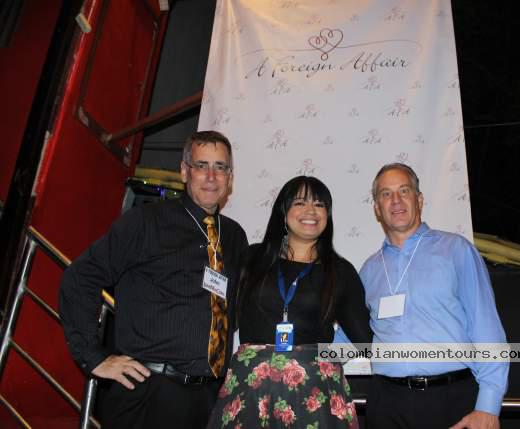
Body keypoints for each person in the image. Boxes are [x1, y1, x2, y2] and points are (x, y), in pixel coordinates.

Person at [59, 130, 248, 429]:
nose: (211, 176)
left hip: (206, 399)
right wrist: (93, 357)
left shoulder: (235, 236)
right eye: (201, 165)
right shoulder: (147, 222)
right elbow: (81, 278)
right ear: (184, 171)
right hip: (148, 391)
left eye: (220, 167)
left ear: (230, 177)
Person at [207, 176, 372, 429]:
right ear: (283, 212)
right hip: (251, 387)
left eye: (319, 204)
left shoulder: (340, 271)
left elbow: (364, 339)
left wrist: (321, 358)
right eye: (300, 203)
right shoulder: (252, 258)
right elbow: (220, 316)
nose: (311, 211)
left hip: (314, 392)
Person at [360, 163, 508, 429]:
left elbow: (486, 327)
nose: (396, 200)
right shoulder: (369, 270)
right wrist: (304, 356)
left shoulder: (456, 250)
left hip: (450, 400)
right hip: (386, 404)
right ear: (377, 209)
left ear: (419, 200)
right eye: (386, 193)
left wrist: (488, 405)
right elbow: (350, 334)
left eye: (404, 190)